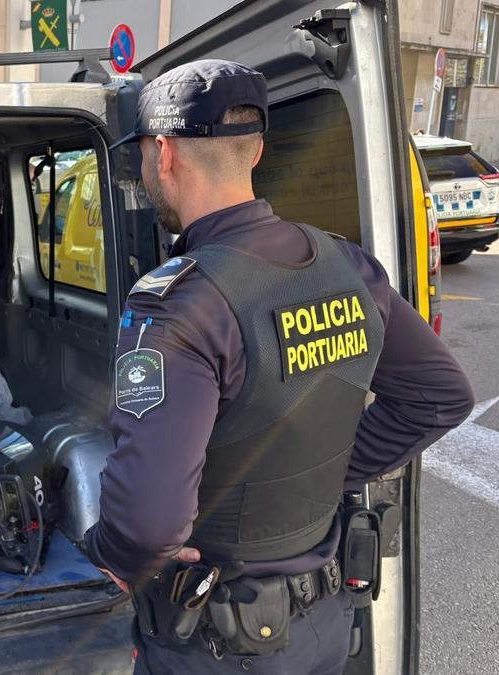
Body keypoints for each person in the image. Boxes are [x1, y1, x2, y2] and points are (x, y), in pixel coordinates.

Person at [83, 60, 474, 673]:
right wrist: (319, 478)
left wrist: (108, 557)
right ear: (257, 148)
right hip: (323, 625)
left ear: (163, 154)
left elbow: (150, 525)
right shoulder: (348, 264)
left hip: (216, 644)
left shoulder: (179, 302)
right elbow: (440, 395)